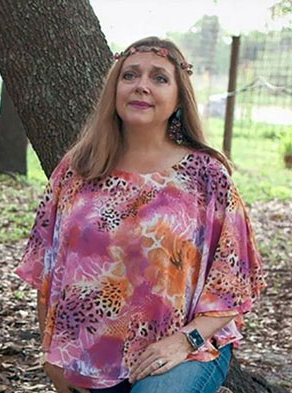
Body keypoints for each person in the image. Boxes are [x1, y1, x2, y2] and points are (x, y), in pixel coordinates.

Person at [15, 37, 266, 393]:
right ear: (115, 89)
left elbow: (233, 281)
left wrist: (184, 342)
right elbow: (48, 271)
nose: (142, 86)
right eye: (130, 75)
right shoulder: (78, 170)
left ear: (179, 97)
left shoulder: (206, 176)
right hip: (85, 359)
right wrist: (51, 355)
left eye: (159, 78)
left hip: (179, 353)